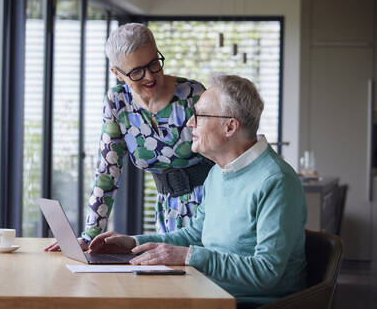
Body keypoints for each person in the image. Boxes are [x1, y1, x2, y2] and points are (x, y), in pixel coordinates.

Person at [88, 74, 307, 307]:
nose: (190, 122)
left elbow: (267, 272)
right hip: (207, 293)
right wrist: (132, 243)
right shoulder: (218, 172)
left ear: (230, 126)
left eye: (200, 115)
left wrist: (189, 256)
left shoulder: (276, 181)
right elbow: (193, 236)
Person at [45, 23, 213, 251]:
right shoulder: (118, 103)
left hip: (210, 208)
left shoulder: (192, 95)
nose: (150, 77)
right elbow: (107, 172)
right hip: (167, 211)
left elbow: (226, 155)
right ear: (117, 73)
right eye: (136, 71)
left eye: (154, 64)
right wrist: (89, 235)